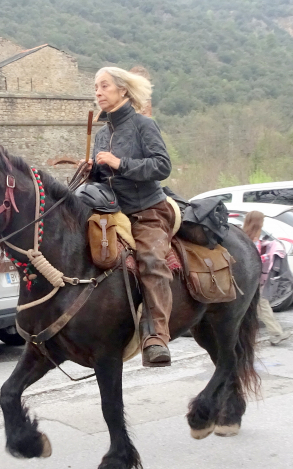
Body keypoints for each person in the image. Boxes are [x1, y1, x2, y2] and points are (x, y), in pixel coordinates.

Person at [87, 66, 174, 367]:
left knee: (152, 261)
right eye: (96, 87)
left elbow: (162, 166)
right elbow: (101, 179)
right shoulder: (100, 135)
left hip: (147, 212)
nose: (98, 92)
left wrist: (119, 163)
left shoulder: (143, 125)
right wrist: (93, 172)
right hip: (112, 214)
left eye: (104, 86)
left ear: (123, 90)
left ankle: (156, 337)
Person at [242, 211, 291, 346]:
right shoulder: (253, 240)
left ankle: (272, 334)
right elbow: (255, 259)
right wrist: (267, 256)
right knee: (261, 306)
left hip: (249, 280)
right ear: (258, 223)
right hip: (253, 280)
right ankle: (276, 334)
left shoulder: (244, 236)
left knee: (254, 307)